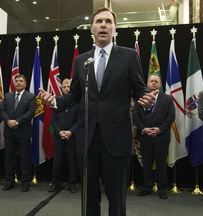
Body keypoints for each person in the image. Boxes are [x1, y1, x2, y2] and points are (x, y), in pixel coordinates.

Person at [38, 7, 157, 216]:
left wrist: (146, 99)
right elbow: (74, 96)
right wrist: (55, 101)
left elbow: (139, 88)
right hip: (87, 139)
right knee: (89, 197)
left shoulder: (128, 56)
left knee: (117, 198)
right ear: (91, 29)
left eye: (108, 22)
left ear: (114, 28)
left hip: (117, 138)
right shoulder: (81, 60)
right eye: (99, 21)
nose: (103, 25)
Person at [133, 74, 175, 199]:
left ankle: (162, 190)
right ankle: (147, 187)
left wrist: (159, 129)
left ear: (160, 84)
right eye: (151, 81)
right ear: (147, 83)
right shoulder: (141, 99)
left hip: (161, 137)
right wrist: (144, 129)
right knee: (146, 163)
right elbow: (135, 116)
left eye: (156, 81)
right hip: (145, 136)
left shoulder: (167, 99)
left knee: (161, 164)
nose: (153, 83)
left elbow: (171, 117)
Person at [0, 74, 36, 192]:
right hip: (9, 132)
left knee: (25, 158)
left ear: (25, 84)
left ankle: (25, 183)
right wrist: (8, 121)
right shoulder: (7, 96)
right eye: (16, 81)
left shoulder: (30, 96)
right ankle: (9, 182)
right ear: (14, 83)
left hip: (23, 132)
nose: (19, 83)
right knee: (8, 158)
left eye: (21, 81)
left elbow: (31, 112)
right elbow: (2, 110)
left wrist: (17, 122)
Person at [49, 78, 79, 193]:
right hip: (59, 136)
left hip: (73, 136)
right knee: (57, 161)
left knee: (72, 161)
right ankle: (55, 183)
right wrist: (59, 132)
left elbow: (80, 120)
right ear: (61, 89)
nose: (67, 89)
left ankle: (72, 184)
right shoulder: (57, 101)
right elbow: (53, 119)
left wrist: (71, 132)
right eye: (65, 87)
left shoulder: (77, 102)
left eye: (69, 87)